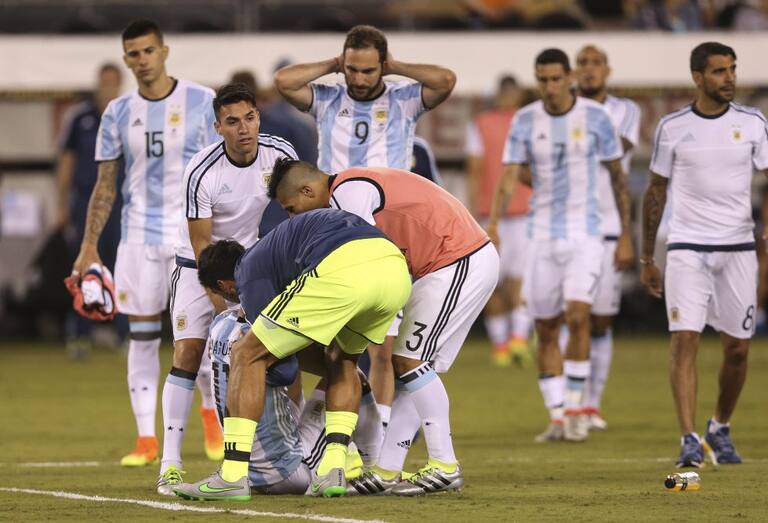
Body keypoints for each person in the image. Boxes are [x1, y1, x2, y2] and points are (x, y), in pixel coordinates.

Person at [269, 159, 498, 495]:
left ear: (307, 190)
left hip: (456, 259)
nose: (293, 218)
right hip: (446, 264)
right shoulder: (352, 186)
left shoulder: (348, 190)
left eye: (291, 209)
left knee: (409, 362)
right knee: (409, 369)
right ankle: (388, 469)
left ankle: (445, 465)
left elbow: (358, 257)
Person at [274, 23, 456, 429]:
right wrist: (332, 65)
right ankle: (329, 426)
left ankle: (380, 429)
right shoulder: (327, 98)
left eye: (368, 70)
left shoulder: (405, 100)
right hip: (332, 230)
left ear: (383, 66)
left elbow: (446, 80)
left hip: (386, 232)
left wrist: (396, 67)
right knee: (332, 342)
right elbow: (283, 81)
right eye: (352, 69)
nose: (358, 79)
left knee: (383, 347)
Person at [173, 209, 411, 499]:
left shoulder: (248, 281)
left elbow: (282, 366)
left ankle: (233, 475)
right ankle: (343, 468)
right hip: (394, 270)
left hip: (344, 268)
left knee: (247, 354)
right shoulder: (273, 258)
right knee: (342, 361)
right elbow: (293, 361)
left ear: (223, 285)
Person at [71, 19, 219, 468]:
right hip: (137, 235)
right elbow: (105, 184)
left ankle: (211, 417)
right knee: (141, 336)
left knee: (196, 334)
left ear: (164, 51)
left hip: (189, 234)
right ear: (126, 59)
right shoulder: (117, 112)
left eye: (148, 51)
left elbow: (220, 171)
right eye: (133, 54)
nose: (142, 60)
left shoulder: (202, 101)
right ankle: (146, 438)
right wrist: (89, 245)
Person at [156, 83, 299, 494]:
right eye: (232, 122)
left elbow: (298, 209)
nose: (243, 128)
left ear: (259, 118)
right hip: (196, 267)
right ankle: (170, 464)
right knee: (187, 354)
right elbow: (202, 247)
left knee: (283, 348)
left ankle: (296, 451)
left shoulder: (279, 154)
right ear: (218, 127)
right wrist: (227, 309)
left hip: (250, 265)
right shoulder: (202, 170)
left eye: (249, 118)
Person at [488, 48, 634, 443]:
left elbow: (617, 176)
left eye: (556, 79)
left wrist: (625, 232)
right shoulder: (525, 120)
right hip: (541, 235)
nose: (550, 86)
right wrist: (495, 223)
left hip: (586, 233)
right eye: (543, 79)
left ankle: (576, 409)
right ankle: (557, 415)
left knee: (579, 315)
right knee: (546, 326)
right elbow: (510, 173)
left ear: (569, 78)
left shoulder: (596, 117)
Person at [641, 42, 768, 468]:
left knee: (738, 350)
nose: (729, 78)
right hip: (687, 248)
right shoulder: (672, 127)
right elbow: (655, 191)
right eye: (719, 71)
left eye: (732, 69)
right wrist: (647, 258)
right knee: (685, 339)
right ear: (697, 77)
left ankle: (720, 427)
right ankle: (689, 438)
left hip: (738, 249)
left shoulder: (753, 122)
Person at [574, 45, 641, 431]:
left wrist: (628, 235)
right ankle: (570, 404)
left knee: (600, 320)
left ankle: (592, 402)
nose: (589, 69)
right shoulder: (560, 111)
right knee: (572, 316)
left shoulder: (625, 110)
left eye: (596, 63)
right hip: (569, 228)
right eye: (583, 63)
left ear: (607, 70)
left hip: (610, 227)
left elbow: (615, 150)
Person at [57, 63, 126, 359]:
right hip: (85, 202)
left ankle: (123, 333)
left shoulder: (129, 116)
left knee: (121, 268)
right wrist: (61, 204)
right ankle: (80, 334)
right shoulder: (80, 118)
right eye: (104, 81)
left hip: (121, 205)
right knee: (85, 267)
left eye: (113, 81)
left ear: (120, 84)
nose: (107, 86)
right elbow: (67, 162)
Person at [465, 74, 532, 368]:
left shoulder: (480, 124)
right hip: (526, 211)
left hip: (489, 213)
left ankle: (501, 346)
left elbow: (475, 169)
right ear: (517, 94)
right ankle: (519, 339)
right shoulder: (529, 121)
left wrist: (472, 209)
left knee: (491, 280)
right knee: (520, 279)